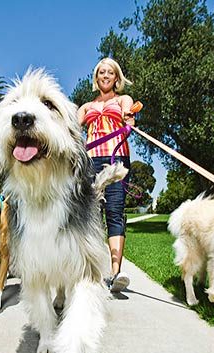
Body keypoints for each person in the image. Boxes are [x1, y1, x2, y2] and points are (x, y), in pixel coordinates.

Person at [77, 58, 135, 293]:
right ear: (96, 77)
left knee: (114, 210)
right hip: (90, 160)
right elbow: (71, 126)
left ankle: (115, 273)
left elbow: (129, 117)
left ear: (117, 78)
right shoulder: (86, 107)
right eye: (101, 72)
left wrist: (129, 120)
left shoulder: (123, 100)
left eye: (110, 72)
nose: (105, 75)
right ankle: (87, 269)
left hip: (116, 158)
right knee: (90, 213)